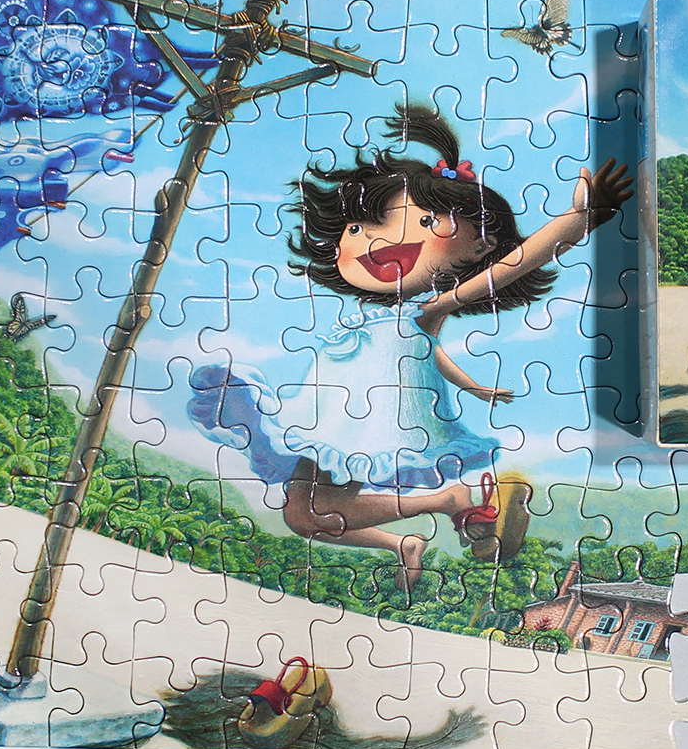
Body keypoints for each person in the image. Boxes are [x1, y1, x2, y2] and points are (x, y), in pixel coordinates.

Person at [188, 105, 632, 590]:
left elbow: (512, 267)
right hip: (321, 420)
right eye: (356, 228)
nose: (375, 241)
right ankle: (405, 542)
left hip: (365, 427)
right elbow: (424, 353)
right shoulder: (378, 317)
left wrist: (577, 220)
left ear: (479, 246)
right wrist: (472, 385)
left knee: (314, 509)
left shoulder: (429, 307)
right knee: (301, 516)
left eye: (421, 221)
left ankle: (452, 500)